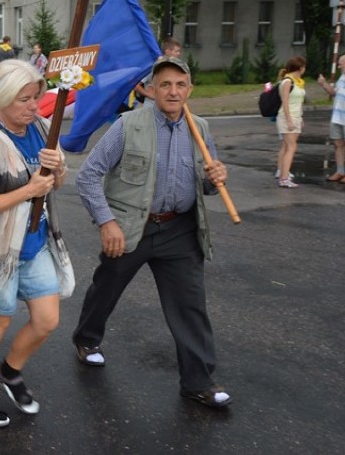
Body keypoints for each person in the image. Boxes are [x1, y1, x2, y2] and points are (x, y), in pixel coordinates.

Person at [73, 56, 232, 409]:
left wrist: (214, 179)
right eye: (165, 84)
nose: (173, 91)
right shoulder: (128, 125)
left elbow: (205, 184)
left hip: (180, 229)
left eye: (180, 84)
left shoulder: (200, 128)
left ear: (189, 90)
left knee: (190, 307)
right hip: (132, 227)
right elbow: (87, 176)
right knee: (107, 287)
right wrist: (107, 221)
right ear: (151, 89)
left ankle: (198, 382)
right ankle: (86, 338)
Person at [0, 59, 66, 428]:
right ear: (3, 100)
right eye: (24, 99)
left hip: (33, 244)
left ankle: (9, 370)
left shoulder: (40, 129)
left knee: (46, 320)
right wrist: (29, 190)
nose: (33, 106)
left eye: (35, 97)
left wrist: (57, 171)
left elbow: (56, 184)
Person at [317, 53, 345, 184]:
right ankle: (340, 171)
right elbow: (334, 93)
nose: (339, 66)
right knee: (338, 144)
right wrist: (324, 85)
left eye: (341, 64)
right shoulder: (342, 77)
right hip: (337, 117)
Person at [275, 56, 307, 188]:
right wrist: (289, 120)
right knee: (291, 147)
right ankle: (284, 177)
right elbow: (285, 102)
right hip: (287, 117)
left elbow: (298, 102)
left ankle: (282, 171)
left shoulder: (298, 82)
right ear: (300, 68)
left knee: (286, 146)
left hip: (296, 116)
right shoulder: (288, 81)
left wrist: (301, 118)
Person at [135, 37, 182, 103]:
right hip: (151, 107)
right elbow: (136, 85)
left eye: (179, 51)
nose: (179, 54)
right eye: (176, 51)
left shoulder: (173, 67)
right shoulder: (155, 66)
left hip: (166, 107)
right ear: (167, 51)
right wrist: (150, 95)